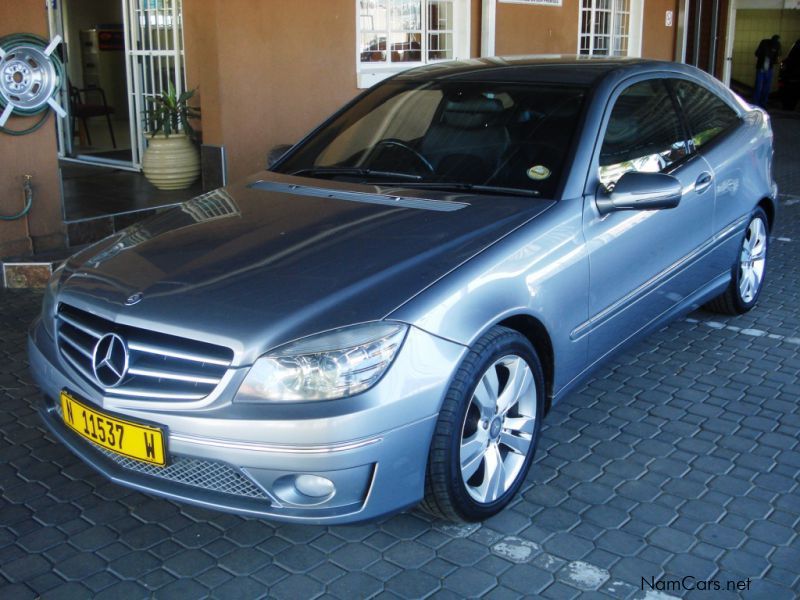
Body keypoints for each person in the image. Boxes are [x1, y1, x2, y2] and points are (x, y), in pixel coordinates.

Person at [753, 34, 781, 108]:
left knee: (760, 86)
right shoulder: (775, 44)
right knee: (764, 87)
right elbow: (776, 57)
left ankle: (757, 103)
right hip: (766, 67)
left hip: (763, 66)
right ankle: (761, 103)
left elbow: (757, 53)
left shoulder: (765, 42)